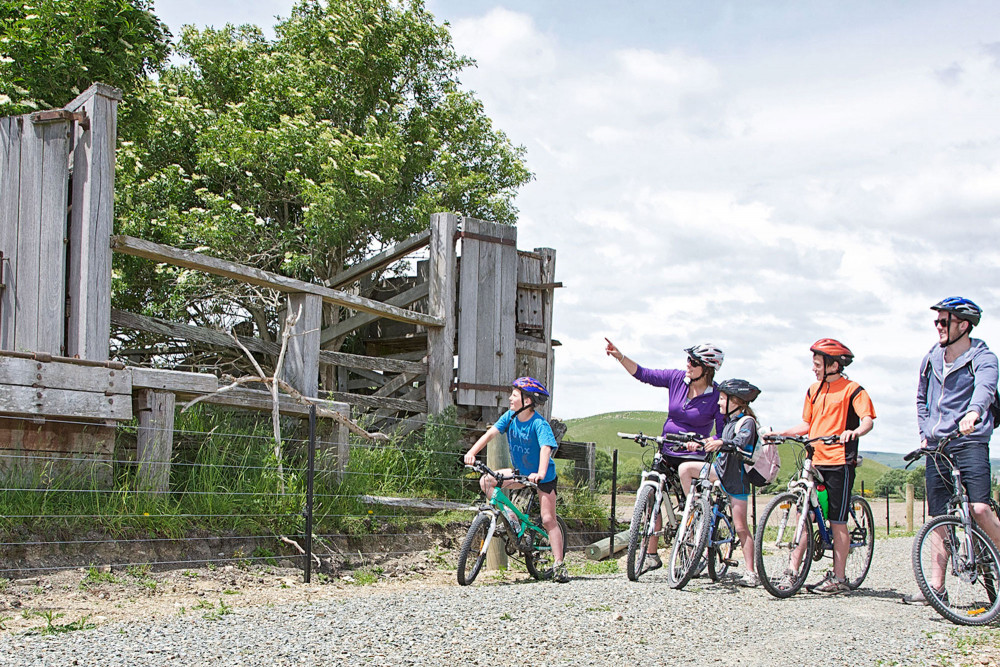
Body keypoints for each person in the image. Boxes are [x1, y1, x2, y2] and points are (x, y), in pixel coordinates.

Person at [903, 297, 1000, 605]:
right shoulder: (932, 358)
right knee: (939, 517)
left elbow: (985, 388)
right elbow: (921, 398)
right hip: (936, 445)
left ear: (964, 325)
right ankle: (935, 586)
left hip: (969, 439)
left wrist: (973, 413)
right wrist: (924, 432)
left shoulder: (982, 357)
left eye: (944, 322)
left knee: (980, 509)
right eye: (937, 322)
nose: (939, 327)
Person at [604, 339, 725, 573]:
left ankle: (693, 552)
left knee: (693, 506)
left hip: (693, 459)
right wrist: (620, 356)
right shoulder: (677, 379)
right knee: (651, 495)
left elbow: (719, 434)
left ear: (707, 369)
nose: (687, 364)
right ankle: (650, 554)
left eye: (693, 361)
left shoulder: (716, 396)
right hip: (667, 449)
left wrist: (701, 444)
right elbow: (644, 374)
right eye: (688, 360)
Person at [770, 338, 876, 595]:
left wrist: (855, 432)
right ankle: (791, 572)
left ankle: (839, 578)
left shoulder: (853, 390)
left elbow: (867, 420)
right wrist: (782, 433)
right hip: (815, 458)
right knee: (802, 514)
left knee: (838, 521)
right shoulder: (813, 390)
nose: (814, 369)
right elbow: (808, 425)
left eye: (818, 364)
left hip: (840, 460)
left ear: (834, 364)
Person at [463, 377, 569, 583]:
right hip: (520, 472)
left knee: (548, 520)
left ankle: (558, 564)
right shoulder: (510, 417)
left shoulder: (539, 424)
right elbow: (490, 434)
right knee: (487, 481)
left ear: (527, 401)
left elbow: (546, 448)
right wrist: (471, 452)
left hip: (542, 477)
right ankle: (512, 519)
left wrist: (539, 473)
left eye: (514, 394)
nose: (510, 398)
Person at [678, 378, 763, 587]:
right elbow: (718, 443)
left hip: (737, 480)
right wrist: (700, 445)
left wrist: (721, 442)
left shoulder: (747, 423)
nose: (718, 403)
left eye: (723, 399)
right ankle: (696, 509)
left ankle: (752, 573)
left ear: (736, 401)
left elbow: (740, 443)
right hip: (719, 471)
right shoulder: (728, 423)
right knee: (686, 469)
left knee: (742, 527)